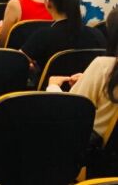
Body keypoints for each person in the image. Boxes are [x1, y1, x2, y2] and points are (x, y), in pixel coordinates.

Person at [47, 10, 118, 140]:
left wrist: (53, 87)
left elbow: (71, 110)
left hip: (91, 148)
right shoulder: (106, 69)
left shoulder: (105, 67)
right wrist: (89, 80)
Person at [21, 0, 106, 71]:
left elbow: (17, 60)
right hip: (87, 85)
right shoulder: (96, 34)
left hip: (52, 85)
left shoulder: (42, 36)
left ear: (48, 3)